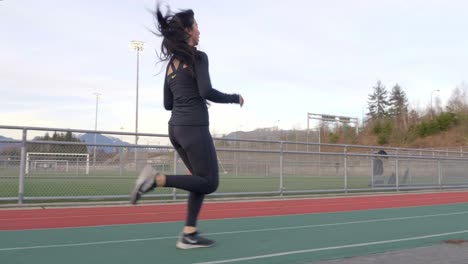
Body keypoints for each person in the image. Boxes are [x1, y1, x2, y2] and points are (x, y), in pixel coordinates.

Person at [130, 4, 244, 250]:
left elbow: (167, 103)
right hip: (194, 127)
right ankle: (156, 179)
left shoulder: (171, 66)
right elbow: (206, 91)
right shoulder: (198, 57)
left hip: (176, 130)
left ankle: (189, 233)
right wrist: (235, 97)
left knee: (198, 180)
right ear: (188, 31)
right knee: (210, 182)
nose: (200, 31)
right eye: (197, 26)